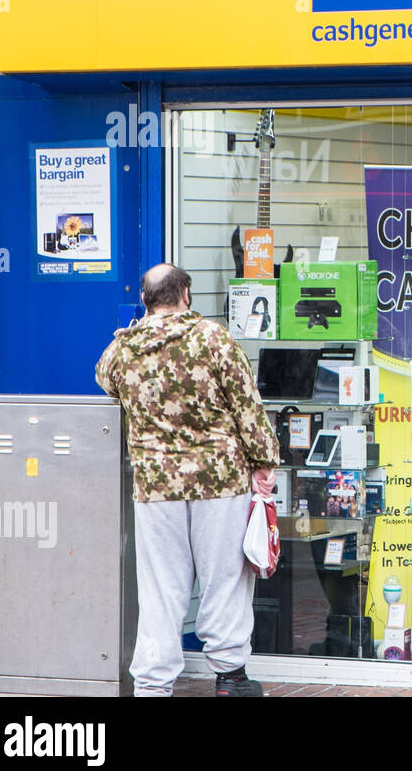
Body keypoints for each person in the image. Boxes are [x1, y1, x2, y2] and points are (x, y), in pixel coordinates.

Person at [96, 263, 279, 697]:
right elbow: (246, 405)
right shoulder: (213, 338)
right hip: (220, 481)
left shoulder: (123, 349)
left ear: (144, 300)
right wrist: (264, 462)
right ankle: (230, 677)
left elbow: (105, 381)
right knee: (225, 581)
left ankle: (153, 686)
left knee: (160, 589)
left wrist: (136, 332)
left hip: (157, 487)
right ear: (187, 295)